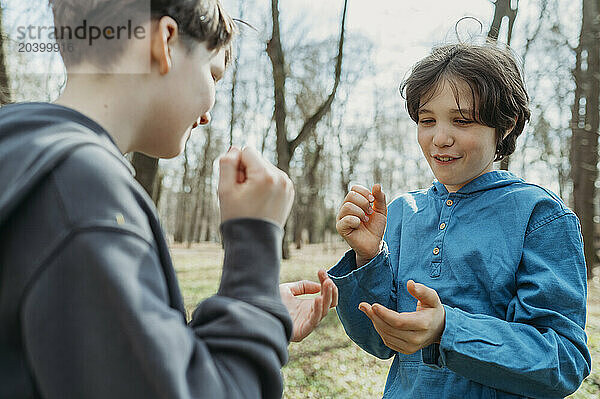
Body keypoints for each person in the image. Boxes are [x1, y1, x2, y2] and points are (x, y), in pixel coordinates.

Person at [0, 1, 337, 398]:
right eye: (212, 73)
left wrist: (257, 311)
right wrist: (255, 240)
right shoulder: (83, 198)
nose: (209, 113)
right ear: (164, 41)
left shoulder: (20, 154)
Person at [329, 42, 591, 398]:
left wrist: (447, 330)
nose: (440, 138)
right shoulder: (403, 213)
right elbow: (379, 343)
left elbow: (563, 362)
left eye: (462, 120)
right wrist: (368, 257)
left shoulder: (540, 216)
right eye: (427, 120)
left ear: (506, 123)